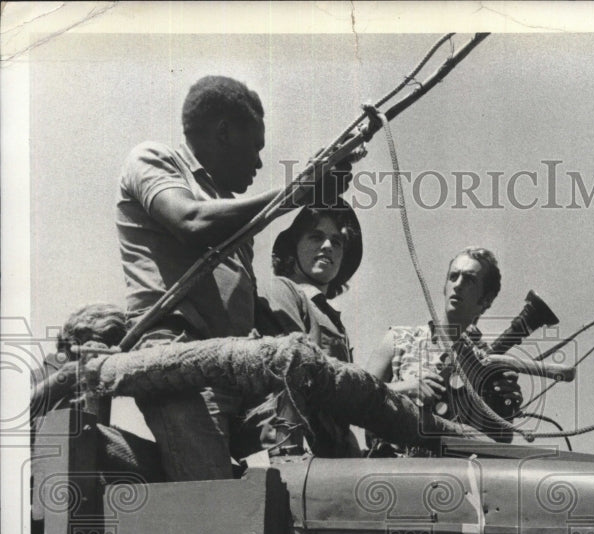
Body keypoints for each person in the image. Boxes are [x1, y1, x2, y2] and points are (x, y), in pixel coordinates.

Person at [116, 75, 349, 480]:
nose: (259, 164)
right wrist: (295, 192)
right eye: (255, 149)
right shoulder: (153, 159)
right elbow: (189, 221)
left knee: (317, 428)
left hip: (230, 368)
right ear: (224, 132)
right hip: (176, 360)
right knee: (213, 495)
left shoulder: (231, 212)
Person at [364, 247, 522, 448]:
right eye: (453, 276)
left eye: (470, 280)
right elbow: (357, 399)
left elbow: (500, 443)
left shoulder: (489, 365)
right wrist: (404, 388)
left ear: (487, 299)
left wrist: (506, 409)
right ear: (444, 286)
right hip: (393, 470)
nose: (458, 285)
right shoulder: (398, 340)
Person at [244, 200, 363, 456]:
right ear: (292, 248)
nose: (328, 246)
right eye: (316, 236)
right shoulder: (281, 290)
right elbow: (295, 372)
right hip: (291, 447)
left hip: (331, 452)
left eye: (337, 241)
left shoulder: (331, 317)